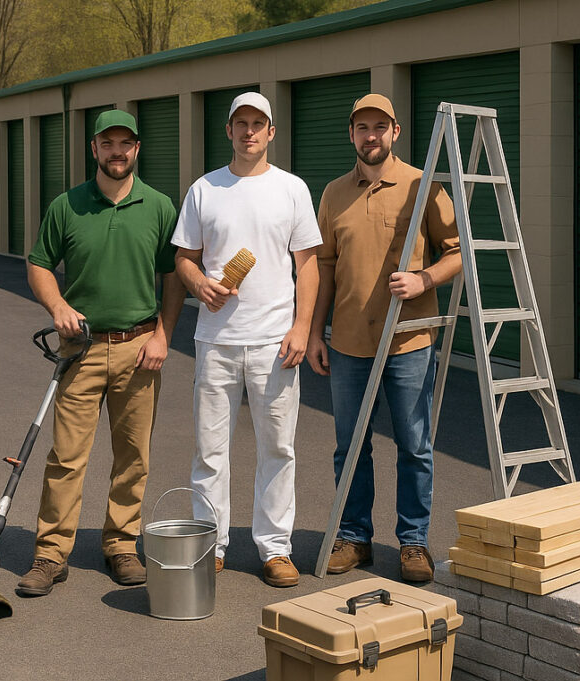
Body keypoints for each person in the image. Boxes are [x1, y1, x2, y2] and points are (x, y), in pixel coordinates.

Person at [18, 109, 186, 596]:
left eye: (126, 144)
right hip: (81, 348)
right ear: (94, 149)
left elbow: (173, 276)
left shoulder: (158, 205)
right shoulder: (67, 206)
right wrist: (57, 305)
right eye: (108, 143)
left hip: (139, 347)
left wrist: (163, 335)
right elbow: (40, 265)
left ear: (137, 149)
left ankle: (122, 545)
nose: (118, 152)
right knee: (67, 456)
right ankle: (51, 554)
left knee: (134, 455)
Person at [307, 94, 461, 583]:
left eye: (379, 127)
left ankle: (414, 542)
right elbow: (323, 268)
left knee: (415, 446)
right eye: (361, 128)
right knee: (350, 446)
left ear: (394, 131)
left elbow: (460, 253)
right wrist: (315, 331)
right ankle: (355, 538)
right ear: (350, 135)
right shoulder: (333, 193)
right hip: (349, 343)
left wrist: (424, 280)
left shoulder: (422, 184)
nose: (370, 136)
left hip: (409, 343)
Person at [172, 92, 321, 588]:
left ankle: (275, 548)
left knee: (278, 447)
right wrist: (200, 285)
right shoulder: (204, 190)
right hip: (215, 340)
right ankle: (209, 543)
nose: (250, 132)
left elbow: (308, 265)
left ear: (272, 132)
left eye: (259, 124)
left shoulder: (292, 189)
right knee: (209, 449)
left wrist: (301, 327)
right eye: (241, 123)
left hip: (274, 341)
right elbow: (184, 258)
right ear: (229, 130)